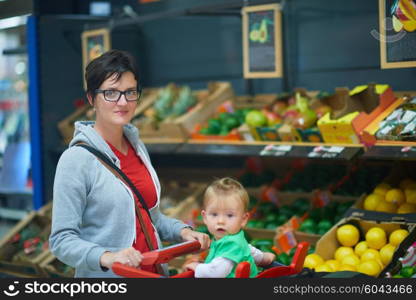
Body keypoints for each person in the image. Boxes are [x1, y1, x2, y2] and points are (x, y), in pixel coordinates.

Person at [49, 49, 210, 278]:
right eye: (111, 93)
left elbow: (149, 218)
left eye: (130, 92)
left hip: (153, 275)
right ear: (91, 99)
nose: (123, 102)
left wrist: (182, 231)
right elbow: (61, 240)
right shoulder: (76, 159)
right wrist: (108, 257)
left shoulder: (136, 146)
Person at [184, 177, 276, 278]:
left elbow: (215, 273)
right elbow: (247, 250)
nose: (221, 221)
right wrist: (264, 258)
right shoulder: (233, 239)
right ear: (205, 217)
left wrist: (197, 267)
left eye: (229, 215)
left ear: (243, 219)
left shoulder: (230, 244)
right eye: (214, 214)